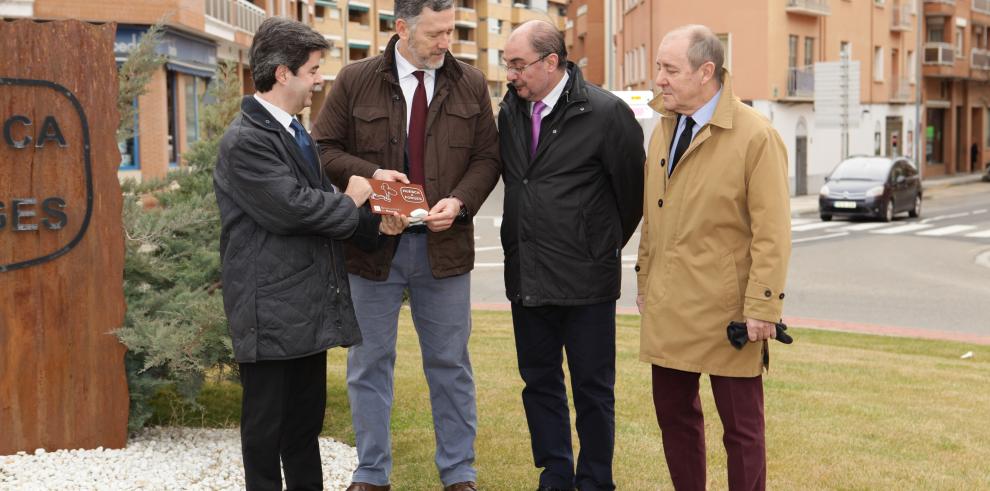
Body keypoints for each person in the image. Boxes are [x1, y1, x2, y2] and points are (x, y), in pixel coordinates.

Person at [310, 0, 500, 489]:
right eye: (435, 34)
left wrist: (458, 201)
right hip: (372, 247)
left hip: (445, 247)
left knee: (450, 364)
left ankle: (459, 474)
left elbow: (487, 158)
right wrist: (372, 177)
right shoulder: (355, 80)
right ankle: (372, 473)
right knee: (369, 363)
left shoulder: (471, 82)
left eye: (450, 31)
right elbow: (324, 148)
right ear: (401, 29)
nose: (445, 43)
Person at [213, 17, 405, 491]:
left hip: (303, 307)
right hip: (268, 307)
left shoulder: (295, 132)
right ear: (283, 73)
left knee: (303, 428)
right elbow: (293, 210)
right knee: (264, 432)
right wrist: (355, 196)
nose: (319, 80)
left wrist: (379, 227)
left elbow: (319, 216)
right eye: (314, 70)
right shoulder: (247, 141)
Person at [636, 25, 791, 491]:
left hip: (732, 313)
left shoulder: (756, 136)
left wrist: (764, 306)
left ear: (707, 72)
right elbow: (653, 215)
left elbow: (773, 231)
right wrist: (645, 282)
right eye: (658, 67)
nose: (659, 79)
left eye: (669, 69)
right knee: (675, 421)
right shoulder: (663, 128)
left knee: (743, 432)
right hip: (668, 304)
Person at [498, 20, 645, 491]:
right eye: (507, 65)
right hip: (528, 278)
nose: (510, 75)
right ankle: (556, 474)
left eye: (518, 65)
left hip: (586, 284)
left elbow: (631, 198)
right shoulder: (511, 111)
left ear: (551, 63)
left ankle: (596, 480)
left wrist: (593, 246)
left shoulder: (606, 113)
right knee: (539, 383)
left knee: (593, 391)